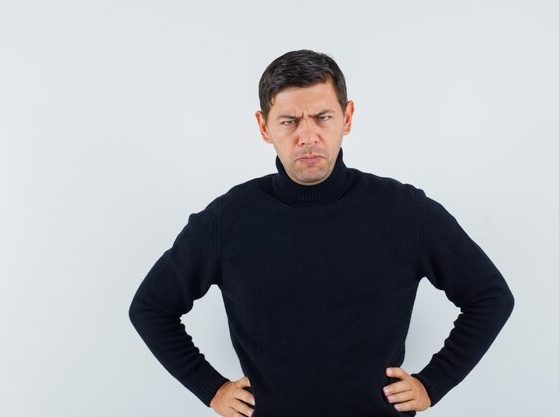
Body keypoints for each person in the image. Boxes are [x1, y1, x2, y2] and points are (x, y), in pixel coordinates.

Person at [128, 49, 515, 417]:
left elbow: (490, 297)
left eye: (323, 117)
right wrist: (210, 388)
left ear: (347, 118)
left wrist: (435, 382)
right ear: (264, 127)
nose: (308, 136)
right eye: (290, 121)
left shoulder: (405, 211)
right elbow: (151, 308)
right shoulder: (227, 219)